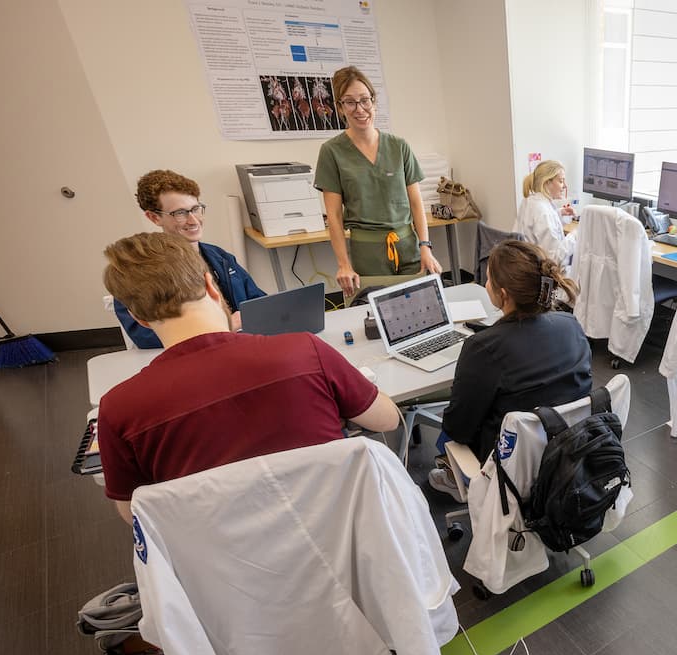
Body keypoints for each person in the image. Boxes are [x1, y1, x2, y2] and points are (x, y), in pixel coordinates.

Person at [97, 232, 401, 523]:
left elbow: (136, 514)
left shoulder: (118, 409)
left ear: (138, 318)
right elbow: (387, 420)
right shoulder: (304, 350)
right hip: (344, 539)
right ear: (211, 285)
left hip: (229, 566)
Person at [429, 240, 592, 497]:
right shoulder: (570, 325)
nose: (485, 284)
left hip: (508, 468)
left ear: (502, 295)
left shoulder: (482, 348)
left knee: (447, 432)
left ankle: (455, 477)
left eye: (488, 279)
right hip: (567, 451)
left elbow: (458, 428)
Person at [314, 65, 442, 299]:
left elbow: (416, 203)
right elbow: (333, 216)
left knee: (420, 311)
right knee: (375, 316)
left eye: (365, 100)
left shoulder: (398, 146)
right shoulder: (332, 152)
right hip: (367, 253)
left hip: (408, 246)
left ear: (374, 102)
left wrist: (425, 246)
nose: (360, 109)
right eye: (350, 102)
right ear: (340, 107)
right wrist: (343, 264)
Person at [115, 170, 266, 349]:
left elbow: (259, 303)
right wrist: (226, 325)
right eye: (180, 213)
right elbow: (144, 336)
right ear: (154, 217)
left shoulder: (220, 258)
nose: (193, 220)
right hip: (190, 356)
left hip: (238, 347)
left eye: (195, 209)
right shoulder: (140, 269)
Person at [513, 159, 577, 270]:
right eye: (561, 181)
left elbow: (536, 225)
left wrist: (559, 213)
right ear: (547, 182)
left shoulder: (529, 201)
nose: (564, 186)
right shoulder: (544, 212)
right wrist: (575, 235)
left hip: (524, 265)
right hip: (542, 272)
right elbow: (554, 260)